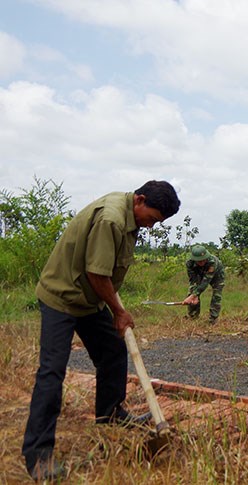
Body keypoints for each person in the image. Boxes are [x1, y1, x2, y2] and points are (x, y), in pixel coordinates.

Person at [22, 181, 180, 481]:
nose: (151, 226)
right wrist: (119, 312)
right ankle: (38, 455)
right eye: (152, 218)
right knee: (52, 372)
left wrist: (113, 308)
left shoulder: (130, 219)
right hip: (62, 296)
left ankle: (111, 415)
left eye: (157, 222)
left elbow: (104, 271)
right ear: (140, 200)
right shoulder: (111, 219)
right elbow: (96, 273)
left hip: (89, 300)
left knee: (113, 352)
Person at [182, 244, 225, 324]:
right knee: (191, 292)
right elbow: (193, 280)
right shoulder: (190, 263)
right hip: (200, 274)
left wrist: (194, 295)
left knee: (217, 296)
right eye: (199, 261)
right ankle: (193, 316)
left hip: (217, 276)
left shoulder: (213, 262)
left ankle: (213, 319)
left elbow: (206, 281)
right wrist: (194, 296)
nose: (202, 262)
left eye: (203, 260)